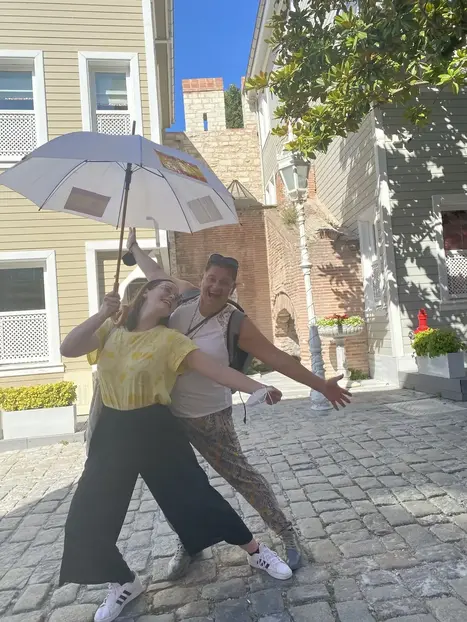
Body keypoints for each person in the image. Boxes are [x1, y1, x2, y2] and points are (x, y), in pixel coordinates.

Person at [59, 278, 293, 622]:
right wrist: (102, 314)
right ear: (144, 294)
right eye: (164, 289)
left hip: (155, 427)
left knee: (195, 496)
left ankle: (255, 551)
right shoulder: (110, 330)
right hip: (112, 429)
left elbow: (217, 370)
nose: (171, 295)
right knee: (87, 512)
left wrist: (258, 387)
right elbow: (68, 348)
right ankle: (123, 581)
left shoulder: (170, 340)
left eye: (174, 293)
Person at [126, 228, 352, 578]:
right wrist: (135, 248)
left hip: (210, 417)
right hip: (169, 414)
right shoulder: (182, 299)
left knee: (242, 476)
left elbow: (278, 358)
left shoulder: (234, 322)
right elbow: (155, 273)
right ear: (202, 277)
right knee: (176, 483)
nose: (215, 287)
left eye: (224, 283)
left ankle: (287, 534)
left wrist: (321, 385)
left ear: (233, 288)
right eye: (211, 278)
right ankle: (189, 543)